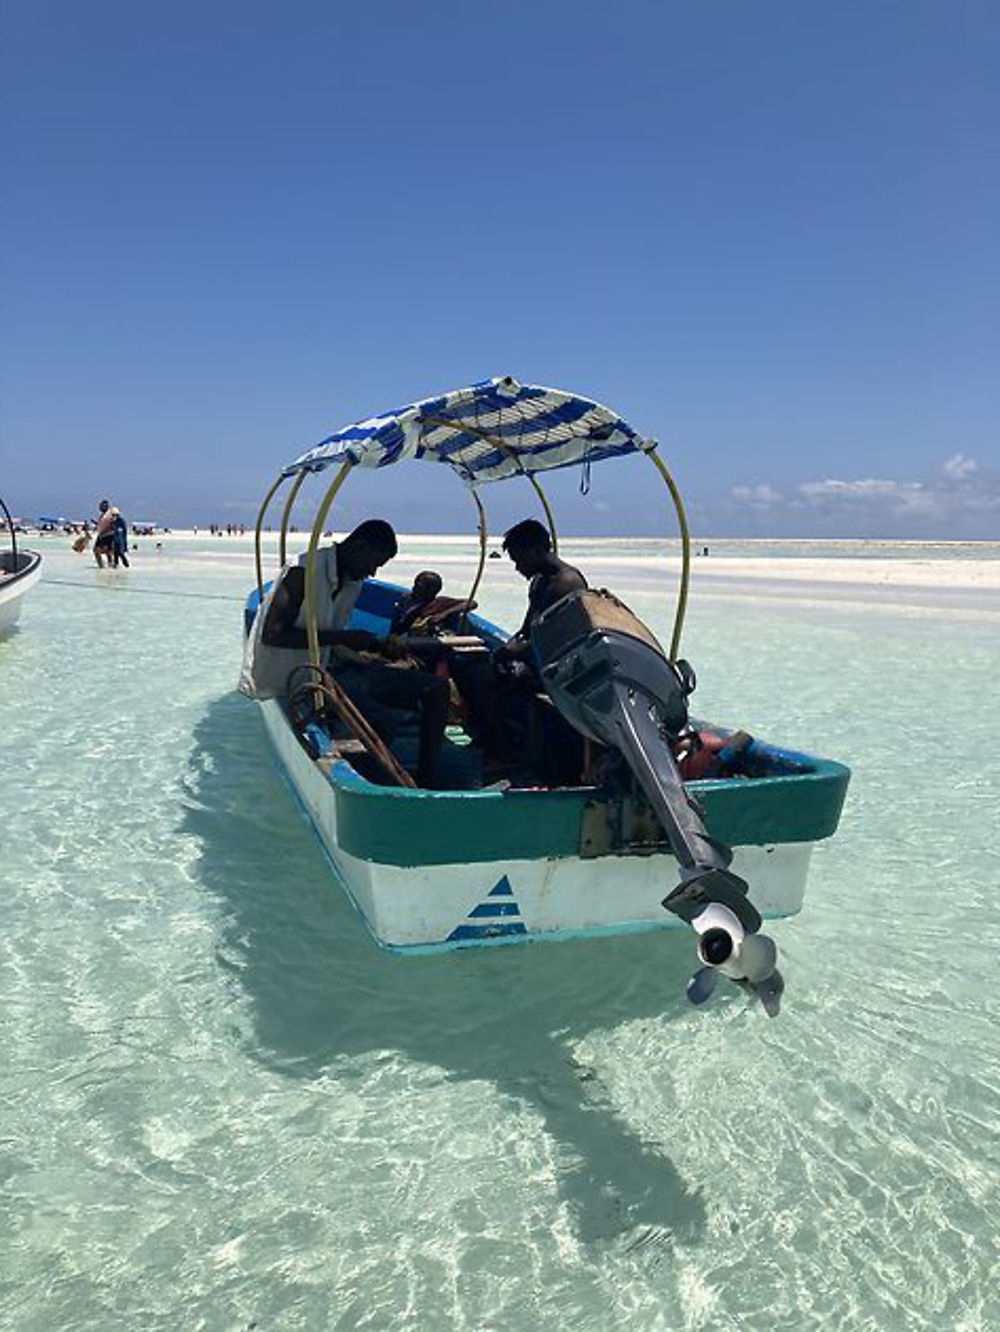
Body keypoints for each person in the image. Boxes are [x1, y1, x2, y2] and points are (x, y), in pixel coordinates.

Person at [241, 519, 448, 788]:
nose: (372, 572)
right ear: (359, 546)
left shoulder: (351, 579)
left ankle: (427, 777)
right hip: (292, 679)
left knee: (436, 688)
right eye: (374, 563)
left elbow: (333, 636)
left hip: (327, 668)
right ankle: (370, 785)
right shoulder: (301, 572)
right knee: (383, 721)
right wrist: (345, 638)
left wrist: (374, 648)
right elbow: (273, 635)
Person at [92, 500, 116, 568]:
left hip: (108, 535)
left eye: (101, 506)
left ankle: (107, 566)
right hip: (101, 535)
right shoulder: (102, 515)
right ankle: (104, 566)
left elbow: (113, 524)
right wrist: (96, 524)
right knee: (101, 551)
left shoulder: (110, 514)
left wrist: (106, 531)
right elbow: (102, 524)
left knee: (106, 551)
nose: (100, 508)